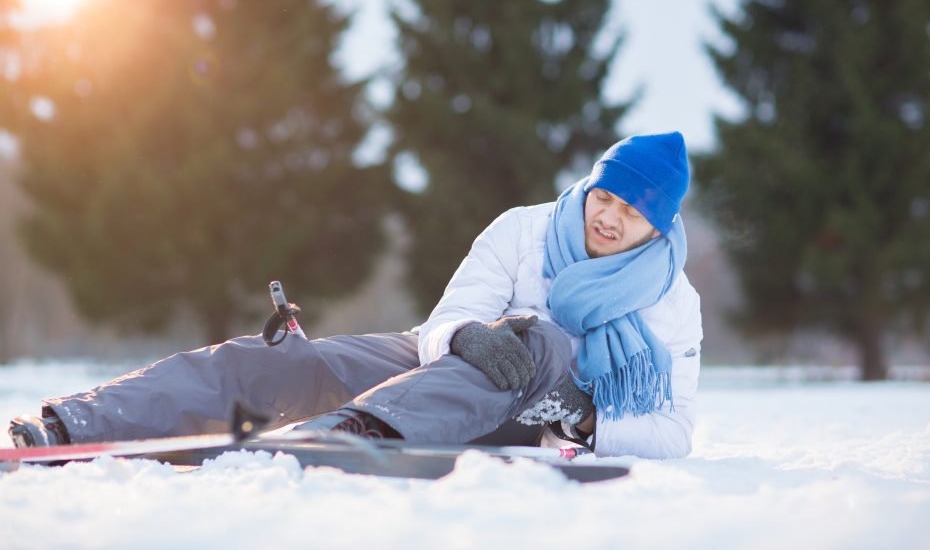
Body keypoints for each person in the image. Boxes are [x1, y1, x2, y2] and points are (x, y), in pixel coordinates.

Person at [9, 131, 702, 459]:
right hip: (445, 376)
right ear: (588, 187)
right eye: (603, 196)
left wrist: (583, 427)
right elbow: (447, 321)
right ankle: (76, 426)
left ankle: (350, 436)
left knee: (538, 336)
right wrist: (463, 337)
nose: (608, 217)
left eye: (632, 212)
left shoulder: (673, 302)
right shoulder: (525, 231)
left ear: (658, 223)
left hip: (545, 405)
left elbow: (674, 433)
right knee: (291, 362)